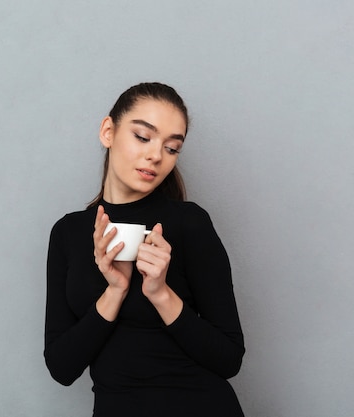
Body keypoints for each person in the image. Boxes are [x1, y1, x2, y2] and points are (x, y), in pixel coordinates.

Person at [44, 82, 245, 416]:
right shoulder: (68, 233)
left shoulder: (188, 224)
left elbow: (229, 359)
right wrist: (116, 291)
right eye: (143, 136)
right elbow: (61, 367)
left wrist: (159, 292)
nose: (156, 155)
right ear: (108, 131)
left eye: (172, 148)